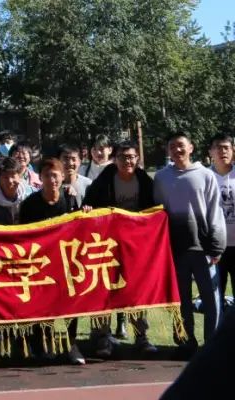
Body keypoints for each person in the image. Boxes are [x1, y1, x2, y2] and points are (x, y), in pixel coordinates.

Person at [154, 131, 226, 354]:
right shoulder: (161, 178)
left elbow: (215, 212)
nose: (177, 150)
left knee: (211, 299)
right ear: (168, 150)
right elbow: (157, 214)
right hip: (174, 250)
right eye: (172, 146)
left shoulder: (206, 175)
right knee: (180, 300)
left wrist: (216, 247)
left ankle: (212, 345)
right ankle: (186, 342)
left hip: (204, 249)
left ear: (191, 147)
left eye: (181, 145)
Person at [83, 141, 157, 355]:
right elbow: (89, 203)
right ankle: (102, 338)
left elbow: (154, 211)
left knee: (136, 291)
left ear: (137, 158)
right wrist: (88, 208)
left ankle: (141, 336)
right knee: (102, 290)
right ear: (115, 159)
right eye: (123, 157)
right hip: (107, 246)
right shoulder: (105, 179)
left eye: (132, 157)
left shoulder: (144, 181)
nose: (128, 161)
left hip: (135, 247)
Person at [19, 157, 84, 365]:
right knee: (42, 305)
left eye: (55, 175)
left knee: (71, 304)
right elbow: (23, 235)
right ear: (40, 178)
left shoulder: (70, 199)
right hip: (40, 264)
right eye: (47, 175)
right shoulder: (30, 204)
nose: (51, 180)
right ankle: (42, 345)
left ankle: (71, 344)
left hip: (66, 262)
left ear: (63, 176)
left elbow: (79, 227)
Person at [209, 133, 235, 309]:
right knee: (215, 297)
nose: (222, 151)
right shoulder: (204, 176)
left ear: (233, 150)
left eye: (226, 147)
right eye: (217, 147)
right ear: (210, 152)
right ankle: (218, 328)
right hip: (214, 248)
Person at [0, 156, 28, 225]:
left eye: (13, 176)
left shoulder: (30, 197)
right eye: (5, 177)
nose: (10, 181)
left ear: (19, 176)